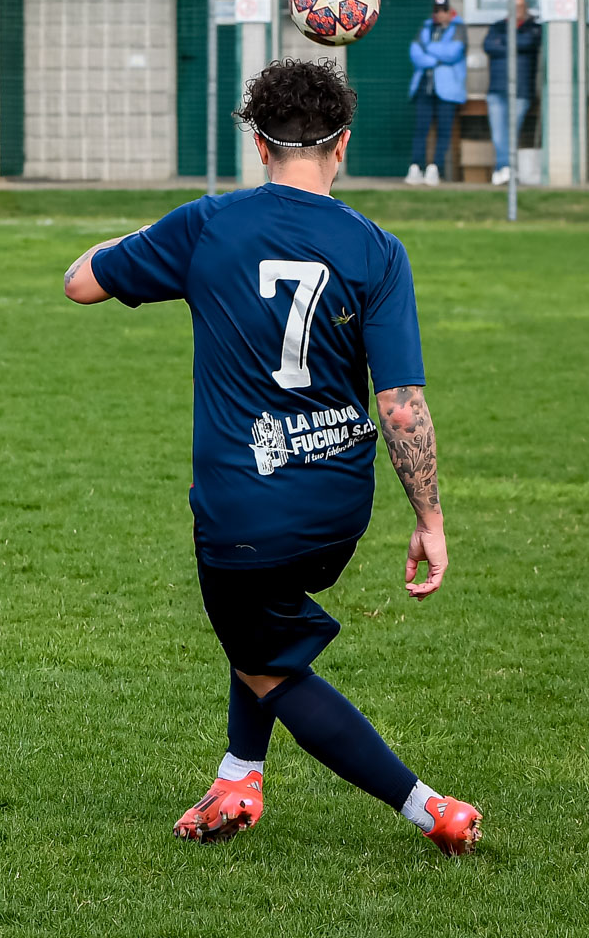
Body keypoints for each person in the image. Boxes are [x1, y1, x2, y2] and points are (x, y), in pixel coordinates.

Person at [62, 58, 482, 857]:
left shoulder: (208, 225)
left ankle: (429, 808)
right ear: (343, 146)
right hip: (335, 506)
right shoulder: (379, 250)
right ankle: (238, 778)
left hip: (241, 508)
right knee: (259, 625)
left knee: (268, 664)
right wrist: (429, 517)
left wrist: (149, 239)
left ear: (258, 143)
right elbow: (401, 405)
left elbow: (82, 281)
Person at [405, 0, 466, 186]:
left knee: (444, 130)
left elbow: (453, 52)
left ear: (450, 12)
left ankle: (435, 168)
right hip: (425, 87)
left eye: (443, 11)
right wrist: (436, 59)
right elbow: (415, 52)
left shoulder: (459, 29)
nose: (440, 14)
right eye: (437, 11)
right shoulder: (426, 27)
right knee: (421, 128)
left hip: (448, 90)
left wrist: (429, 48)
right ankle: (416, 167)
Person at [482, 0, 541, 185]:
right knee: (499, 133)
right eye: (513, 6)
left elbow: (528, 43)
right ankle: (505, 168)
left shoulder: (534, 27)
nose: (517, 10)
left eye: (520, 7)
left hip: (521, 89)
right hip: (497, 89)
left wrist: (504, 43)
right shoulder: (498, 26)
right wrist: (514, 44)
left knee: (512, 131)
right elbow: (489, 46)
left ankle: (505, 168)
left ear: (526, 9)